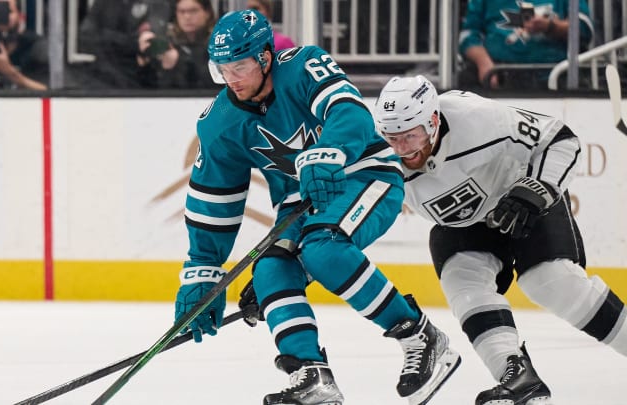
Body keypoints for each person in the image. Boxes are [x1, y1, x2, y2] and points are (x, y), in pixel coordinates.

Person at [172, 10, 461, 405]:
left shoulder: (304, 65)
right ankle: (311, 376)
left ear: (265, 57)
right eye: (222, 69)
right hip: (299, 202)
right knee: (272, 269)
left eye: (240, 66)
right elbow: (213, 202)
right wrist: (201, 271)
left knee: (322, 249)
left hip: (362, 172)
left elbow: (351, 113)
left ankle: (420, 336)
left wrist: (330, 151)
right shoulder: (219, 124)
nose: (232, 79)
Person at [373, 75, 627, 404]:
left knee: (550, 282)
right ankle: (518, 375)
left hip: (520, 202)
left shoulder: (476, 118)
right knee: (461, 280)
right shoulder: (378, 152)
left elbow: (560, 139)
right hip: (462, 225)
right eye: (392, 137)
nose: (402, 149)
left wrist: (539, 188)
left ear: (433, 121)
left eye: (411, 136)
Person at [459, 0, 594, 89]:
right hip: (498, 74)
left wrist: (551, 27)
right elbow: (468, 35)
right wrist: (483, 63)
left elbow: (584, 28)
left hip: (554, 74)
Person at [78, 0, 170, 88]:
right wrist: (130, 42)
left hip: (140, 81)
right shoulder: (104, 2)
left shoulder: (157, 3)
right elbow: (86, 36)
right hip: (103, 78)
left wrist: (106, 36)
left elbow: (151, 43)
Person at [147, 0, 218, 89]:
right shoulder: (169, 42)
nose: (187, 17)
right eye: (181, 12)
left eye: (193, 11)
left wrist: (179, 61)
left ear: (207, 13)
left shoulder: (218, 44)